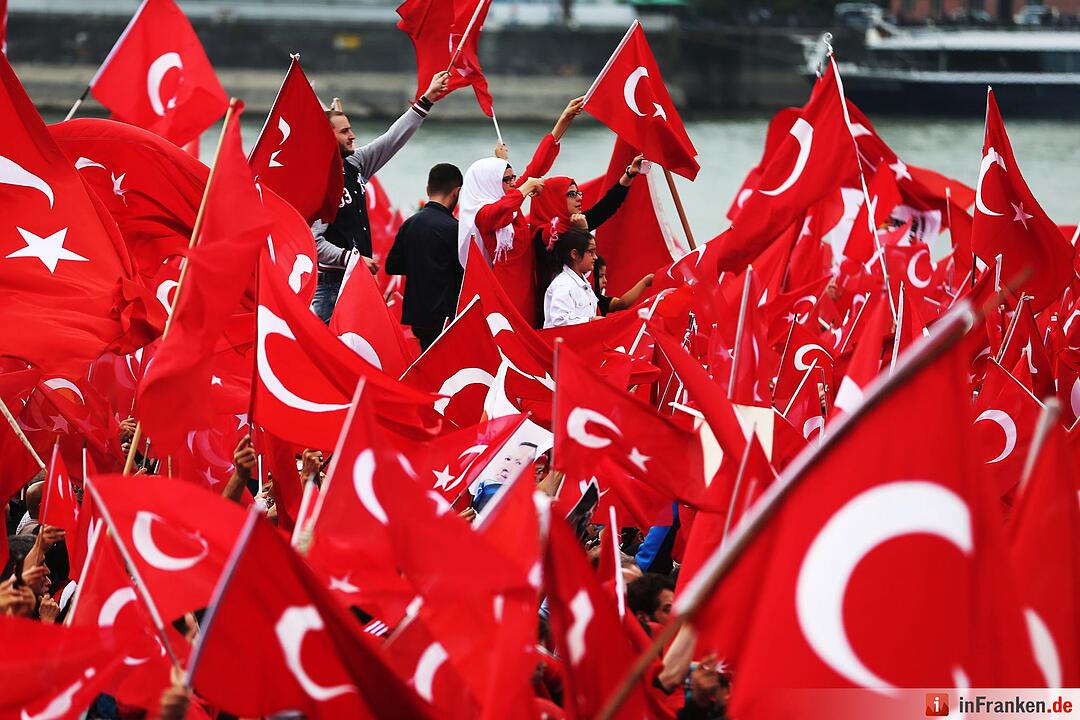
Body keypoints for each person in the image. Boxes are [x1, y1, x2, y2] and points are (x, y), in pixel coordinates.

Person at [310, 71, 451, 323]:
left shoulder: (356, 164)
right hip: (331, 288)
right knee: (322, 360)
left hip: (357, 284)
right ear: (325, 136)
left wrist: (427, 98)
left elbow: (392, 139)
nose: (352, 136)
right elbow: (314, 242)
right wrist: (352, 259)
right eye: (344, 132)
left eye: (350, 130)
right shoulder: (317, 180)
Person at [457, 97, 585, 326]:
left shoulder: (511, 205)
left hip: (529, 290)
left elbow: (535, 167)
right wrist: (524, 187)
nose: (512, 183)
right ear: (489, 182)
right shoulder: (483, 216)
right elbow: (500, 210)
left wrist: (563, 122)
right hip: (503, 296)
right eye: (506, 180)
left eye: (512, 179)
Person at [530, 155, 646, 321]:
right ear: (554, 198)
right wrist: (583, 231)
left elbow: (606, 207)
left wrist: (629, 173)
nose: (579, 198)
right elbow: (571, 254)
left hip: (585, 306)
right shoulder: (545, 235)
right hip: (558, 317)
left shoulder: (571, 224)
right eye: (571, 194)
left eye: (578, 193)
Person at [385, 163, 464, 349]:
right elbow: (463, 272)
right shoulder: (455, 229)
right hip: (446, 316)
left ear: (428, 189)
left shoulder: (410, 223)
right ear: (456, 192)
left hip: (418, 315)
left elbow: (392, 266)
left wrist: (418, 262)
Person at [543, 228, 599, 328]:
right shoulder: (562, 285)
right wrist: (591, 320)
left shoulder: (583, 283)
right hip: (561, 342)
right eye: (591, 252)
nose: (595, 257)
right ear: (574, 254)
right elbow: (559, 321)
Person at [469, 441, 538, 514]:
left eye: (519, 463)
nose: (507, 466)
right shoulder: (480, 485)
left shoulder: (496, 492)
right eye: (508, 459)